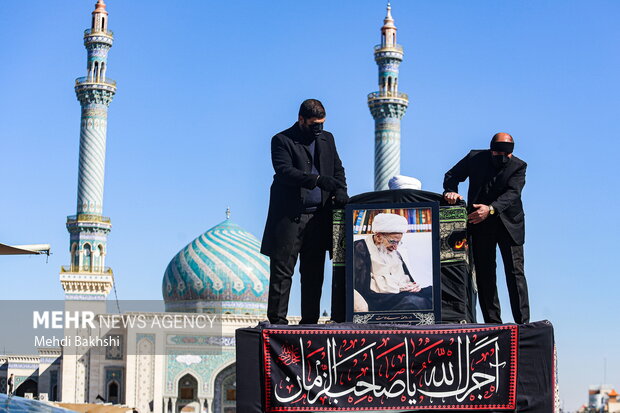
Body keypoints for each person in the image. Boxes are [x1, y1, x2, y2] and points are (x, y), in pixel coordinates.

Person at [261, 99, 348, 325]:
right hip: (290, 218)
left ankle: (310, 321)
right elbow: (284, 172)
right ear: (301, 120)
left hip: (318, 218)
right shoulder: (282, 140)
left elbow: (337, 169)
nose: (318, 129)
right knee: (283, 270)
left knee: (313, 272)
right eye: (314, 124)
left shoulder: (327, 139)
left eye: (321, 124)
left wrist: (341, 191)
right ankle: (277, 322)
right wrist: (317, 180)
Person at [443, 132, 529, 324]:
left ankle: (522, 323)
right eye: (498, 155)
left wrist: (490, 209)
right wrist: (451, 192)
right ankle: (493, 322)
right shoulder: (475, 158)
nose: (503, 159)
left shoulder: (518, 166)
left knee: (515, 273)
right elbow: (452, 175)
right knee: (485, 274)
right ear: (491, 151)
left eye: (507, 156)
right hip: (479, 224)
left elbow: (512, 193)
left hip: (509, 225)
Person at [353, 213, 432, 312]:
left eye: (398, 242)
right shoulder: (360, 248)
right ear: (378, 237)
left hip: (400, 294)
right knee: (415, 301)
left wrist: (413, 286)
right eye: (393, 242)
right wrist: (398, 288)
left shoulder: (394, 252)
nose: (395, 247)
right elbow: (363, 289)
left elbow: (406, 278)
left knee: (433, 291)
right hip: (379, 299)